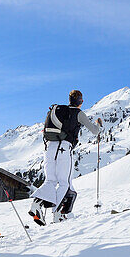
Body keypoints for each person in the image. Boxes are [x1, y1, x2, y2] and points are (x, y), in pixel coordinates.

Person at [29, 90, 102, 226]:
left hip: (49, 147)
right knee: (65, 183)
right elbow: (95, 131)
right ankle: (58, 215)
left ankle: (35, 205)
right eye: (81, 100)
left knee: (50, 180)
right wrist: (98, 123)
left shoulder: (59, 111)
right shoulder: (78, 113)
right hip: (64, 148)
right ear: (80, 101)